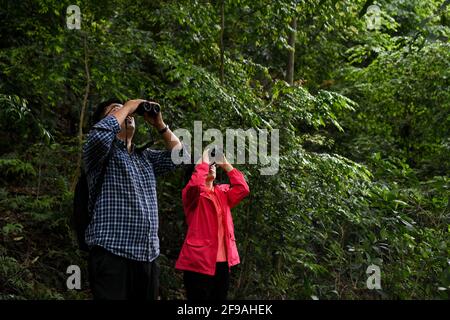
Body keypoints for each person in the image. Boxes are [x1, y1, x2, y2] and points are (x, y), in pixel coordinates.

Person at [83, 98, 184, 300]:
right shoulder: (101, 153)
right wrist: (129, 105)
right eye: (116, 110)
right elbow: (99, 135)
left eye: (128, 112)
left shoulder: (144, 156)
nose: (127, 114)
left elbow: (180, 156)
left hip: (147, 257)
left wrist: (160, 125)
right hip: (112, 253)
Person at [175, 148, 250, 300]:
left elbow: (243, 189)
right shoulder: (192, 195)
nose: (211, 166)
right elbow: (195, 185)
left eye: (213, 165)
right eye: (208, 165)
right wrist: (203, 160)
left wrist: (225, 164)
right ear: (198, 170)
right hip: (198, 264)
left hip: (222, 265)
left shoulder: (222, 193)